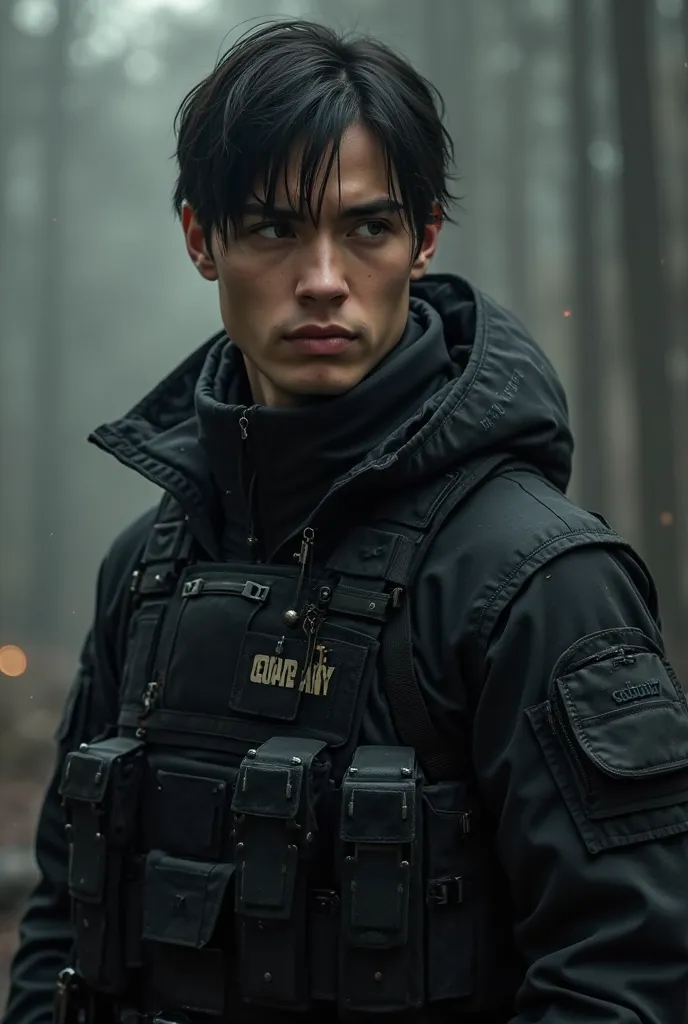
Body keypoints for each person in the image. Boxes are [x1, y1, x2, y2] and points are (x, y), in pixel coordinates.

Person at [4, 17, 688, 1024]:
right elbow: (60, 925)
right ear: (202, 238)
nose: (322, 278)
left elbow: (627, 976)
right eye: (274, 227)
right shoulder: (144, 569)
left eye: (366, 228)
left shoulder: (539, 581)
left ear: (423, 238)